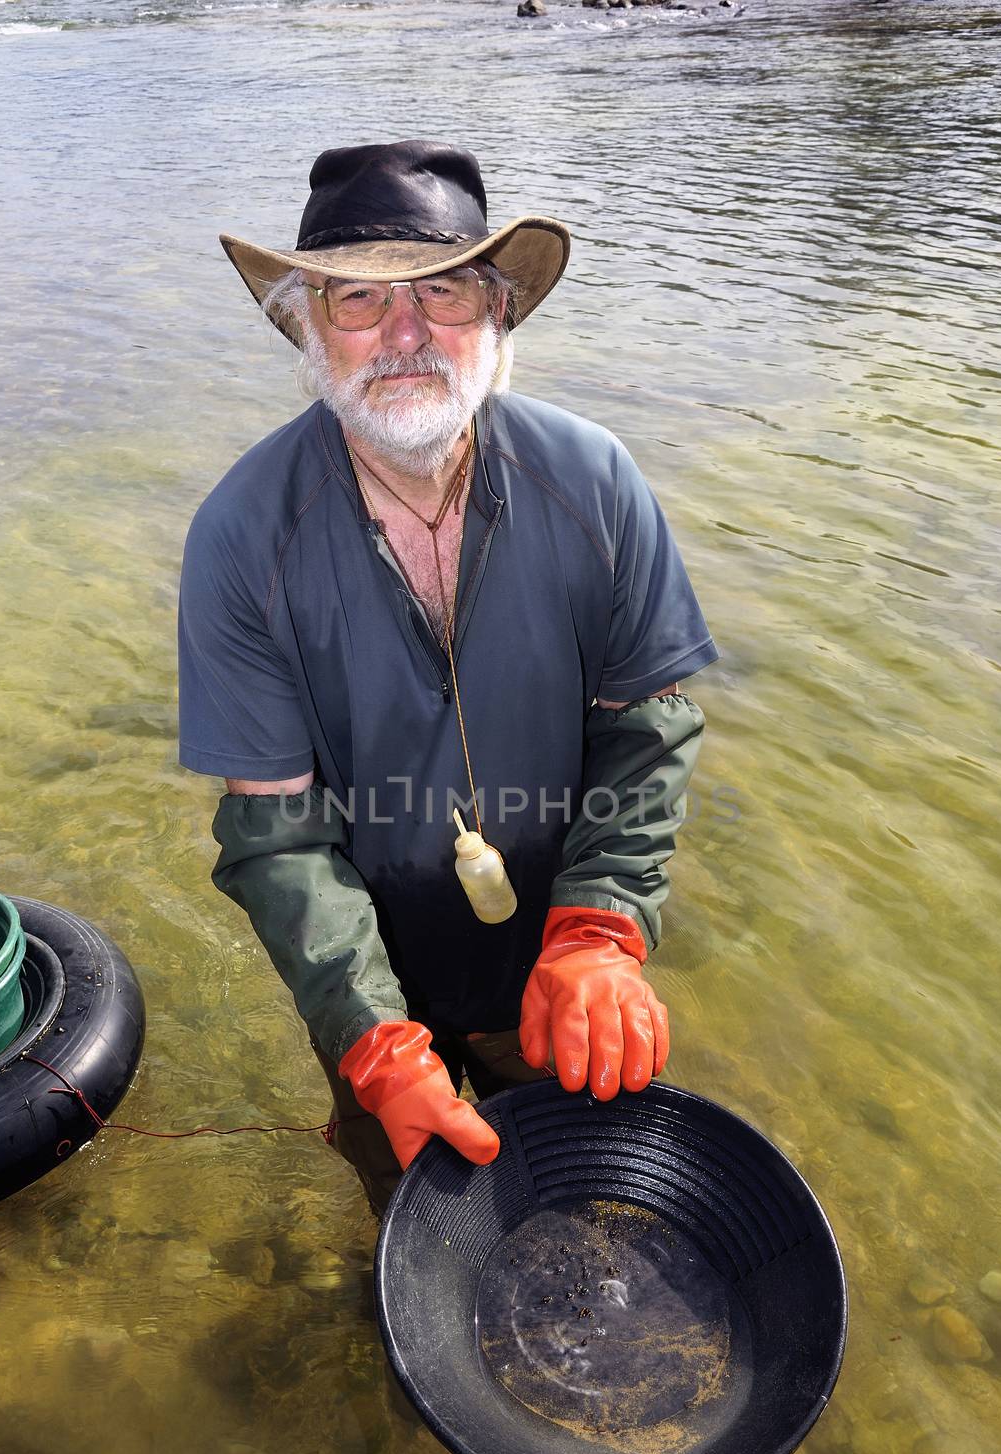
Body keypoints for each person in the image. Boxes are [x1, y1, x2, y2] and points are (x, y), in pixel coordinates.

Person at [178, 140, 718, 1217]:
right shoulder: (239, 536)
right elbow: (276, 834)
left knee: (575, 1196)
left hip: (553, 955)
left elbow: (647, 727)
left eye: (444, 290)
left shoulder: (598, 482)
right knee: (411, 1203)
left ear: (498, 313)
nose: (407, 332)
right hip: (369, 963)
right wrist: (373, 1036)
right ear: (308, 328)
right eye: (358, 300)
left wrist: (602, 927)